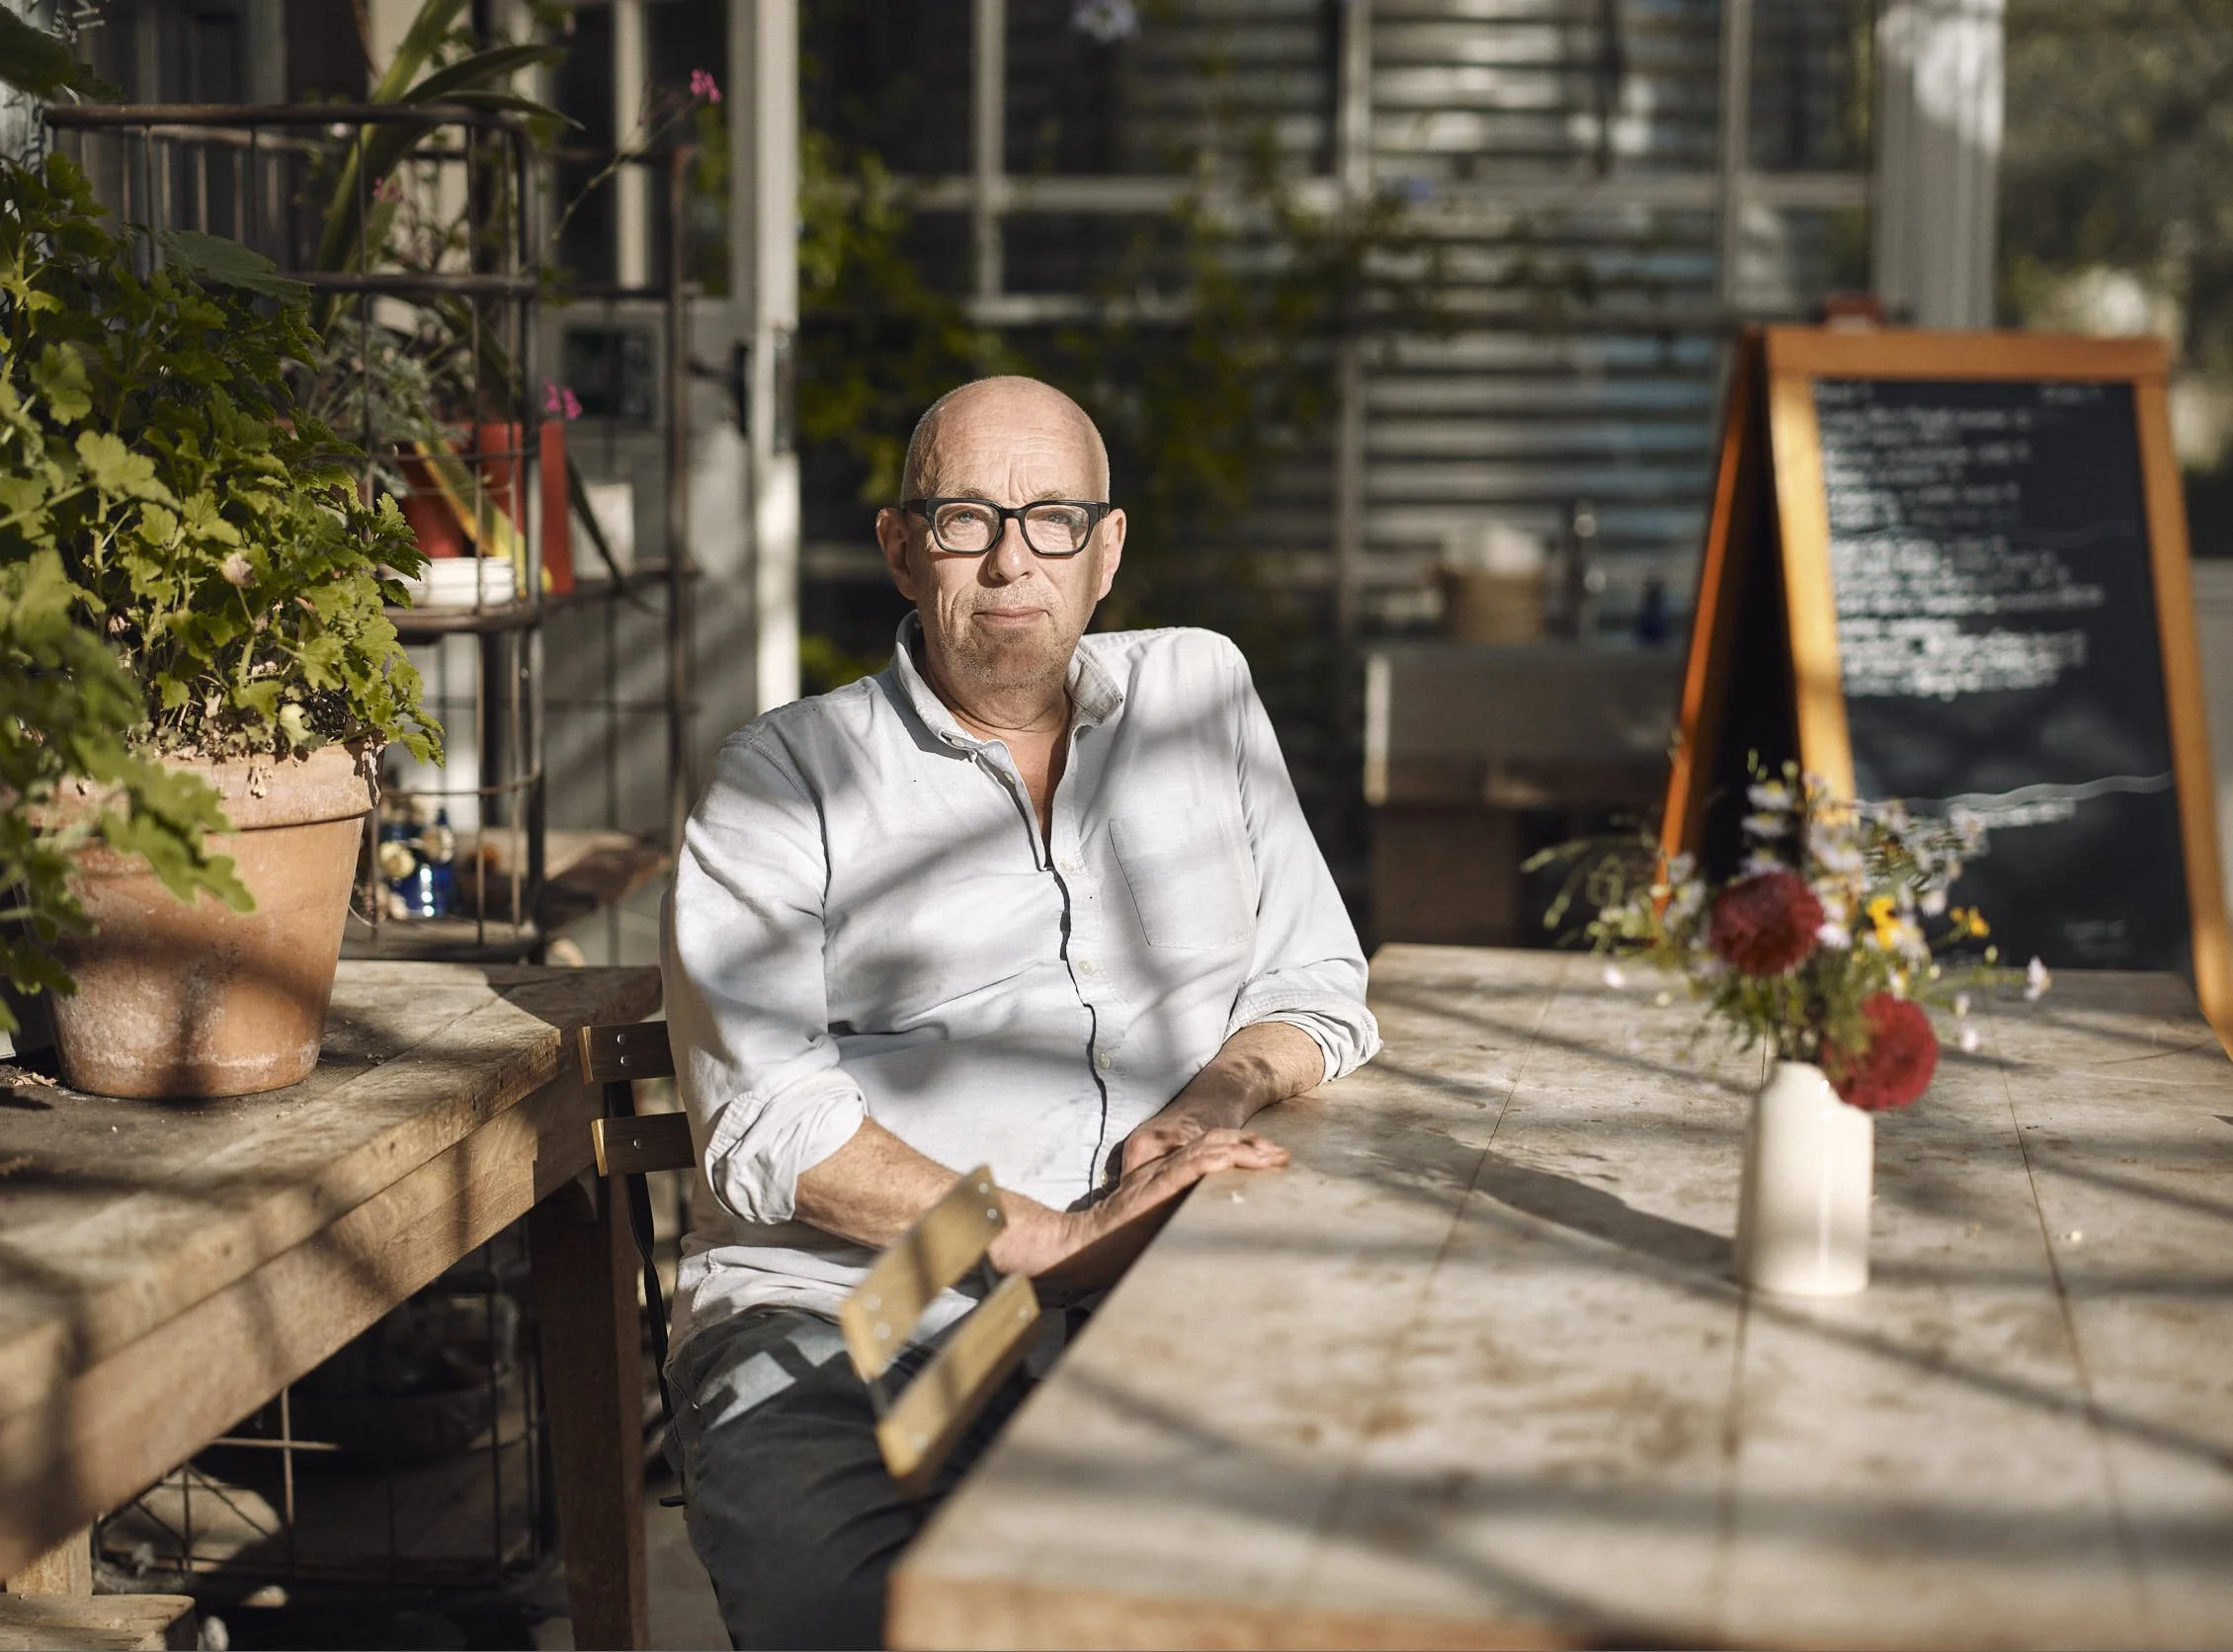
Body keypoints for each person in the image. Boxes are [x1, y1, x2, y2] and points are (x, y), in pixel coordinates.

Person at [661, 375, 1380, 1648]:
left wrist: (1210, 1100)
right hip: (869, 1296)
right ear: (901, 549)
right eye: (965, 521)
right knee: (850, 1608)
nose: (1011, 561)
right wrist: (1046, 1239)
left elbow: (1314, 978)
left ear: (1108, 551)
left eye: (1054, 519)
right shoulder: (786, 777)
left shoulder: (1200, 693)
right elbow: (767, 1120)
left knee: (1318, 1561)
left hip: (1163, 1275)